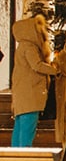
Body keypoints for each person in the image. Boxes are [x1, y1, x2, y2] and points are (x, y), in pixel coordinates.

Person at [11, 15, 57, 147]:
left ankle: (15, 158)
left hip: (22, 95)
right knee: (27, 129)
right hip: (30, 95)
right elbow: (37, 65)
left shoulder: (21, 47)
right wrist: (55, 70)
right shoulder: (30, 47)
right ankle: (24, 159)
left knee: (19, 129)